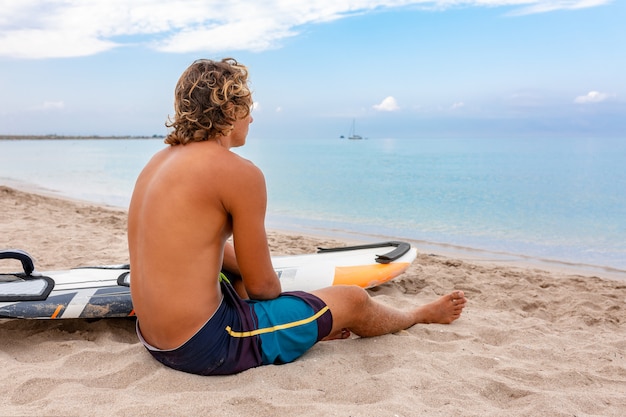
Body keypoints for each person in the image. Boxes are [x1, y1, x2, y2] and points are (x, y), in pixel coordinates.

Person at [128, 58, 466, 376]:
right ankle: (417, 315)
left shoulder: (157, 163)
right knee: (352, 299)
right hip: (205, 346)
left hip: (154, 339)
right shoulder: (239, 173)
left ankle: (307, 325)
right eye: (249, 108)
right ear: (230, 110)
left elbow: (192, 248)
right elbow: (264, 288)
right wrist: (296, 303)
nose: (252, 119)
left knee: (241, 278)